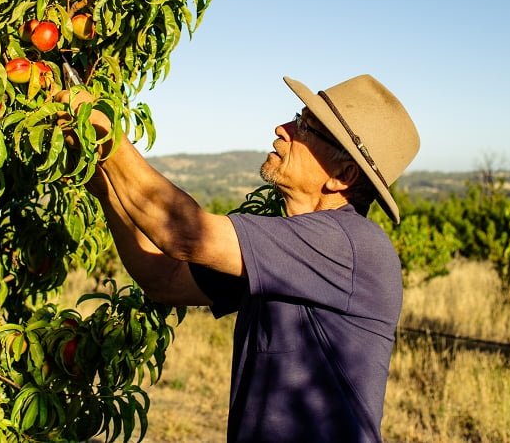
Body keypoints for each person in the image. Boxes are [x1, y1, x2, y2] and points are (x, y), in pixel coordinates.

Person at [58, 74, 420, 443]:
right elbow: (164, 278)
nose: (283, 128)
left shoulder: (350, 245)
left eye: (306, 128)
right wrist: (102, 183)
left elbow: (184, 234)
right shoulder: (283, 247)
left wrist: (101, 129)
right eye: (299, 116)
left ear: (342, 176)